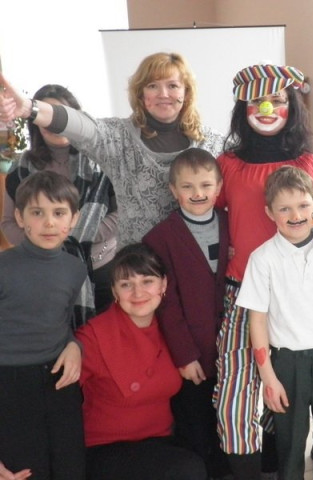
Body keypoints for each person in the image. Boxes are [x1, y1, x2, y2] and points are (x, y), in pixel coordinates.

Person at [214, 64, 313, 479]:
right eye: (257, 101)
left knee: (292, 389)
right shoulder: (226, 164)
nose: (267, 108)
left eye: (276, 100)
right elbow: (212, 216)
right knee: (236, 392)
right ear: (242, 108)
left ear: (291, 105)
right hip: (242, 290)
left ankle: (284, 464)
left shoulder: (309, 163)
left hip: (299, 293)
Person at [0, 52, 224, 245]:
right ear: (140, 94)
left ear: (186, 93)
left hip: (199, 260)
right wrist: (28, 108)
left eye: (172, 85)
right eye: (152, 86)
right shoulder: (118, 137)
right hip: (138, 269)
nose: (163, 94)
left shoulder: (213, 144)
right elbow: (80, 125)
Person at [236, 166, 313, 480]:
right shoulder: (262, 259)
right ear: (270, 212)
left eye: (303, 205)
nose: (296, 215)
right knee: (290, 446)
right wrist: (268, 377)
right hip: (287, 364)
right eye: (285, 209)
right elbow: (257, 321)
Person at [76, 243, 208, 480]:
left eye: (147, 281)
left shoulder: (174, 333)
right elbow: (52, 398)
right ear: (114, 291)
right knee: (186, 469)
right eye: (126, 284)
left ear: (163, 285)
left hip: (160, 442)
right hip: (104, 448)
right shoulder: (94, 337)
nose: (138, 293)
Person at [143, 147, 230, 478]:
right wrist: (184, 355)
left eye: (206, 185)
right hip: (191, 353)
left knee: (228, 422)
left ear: (218, 187)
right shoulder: (161, 238)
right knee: (195, 425)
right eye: (188, 186)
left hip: (232, 349)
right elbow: (167, 303)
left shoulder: (231, 224)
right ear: (173, 190)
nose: (198, 193)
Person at [1, 84, 117, 313]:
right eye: (47, 117)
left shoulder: (103, 161)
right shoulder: (20, 169)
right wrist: (48, 242)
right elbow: (8, 224)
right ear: (35, 122)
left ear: (75, 119)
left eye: (60, 116)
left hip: (103, 268)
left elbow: (123, 212)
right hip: (44, 270)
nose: (53, 125)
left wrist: (72, 236)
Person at [0, 171, 86, 480]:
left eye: (59, 213)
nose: (49, 222)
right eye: (37, 213)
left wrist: (75, 345)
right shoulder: (3, 268)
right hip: (10, 386)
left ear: (74, 219)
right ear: (19, 218)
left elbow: (61, 320)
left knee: (70, 468)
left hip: (59, 380)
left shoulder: (75, 268)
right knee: (24, 471)